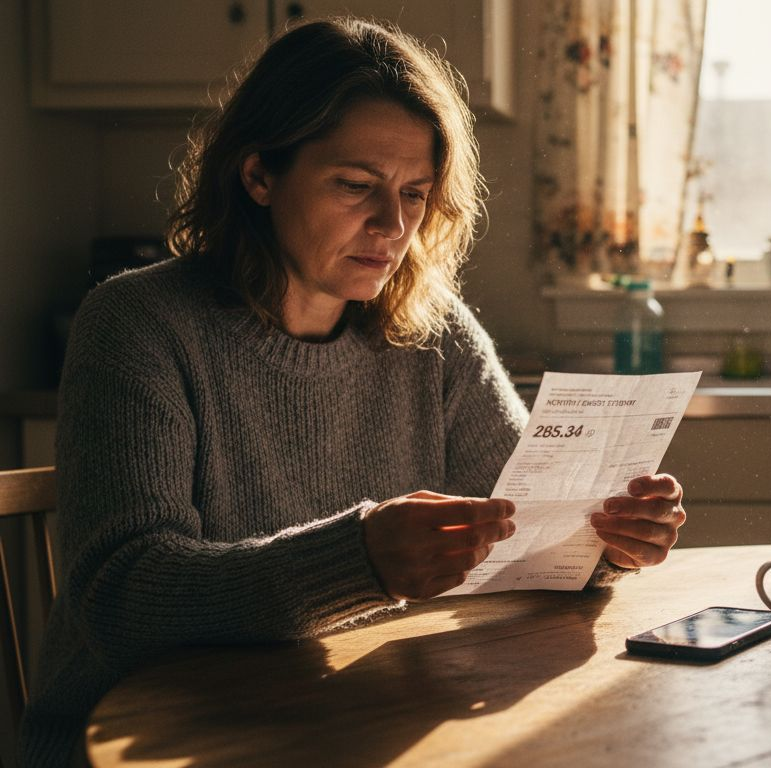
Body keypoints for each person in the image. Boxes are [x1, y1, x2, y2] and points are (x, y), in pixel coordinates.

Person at [20, 17, 687, 766]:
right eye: (354, 186)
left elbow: (522, 534)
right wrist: (359, 559)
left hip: (339, 723)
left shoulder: (432, 334)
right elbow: (122, 596)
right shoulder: (139, 324)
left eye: (414, 193)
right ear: (259, 176)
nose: (392, 225)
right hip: (140, 741)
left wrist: (605, 540)